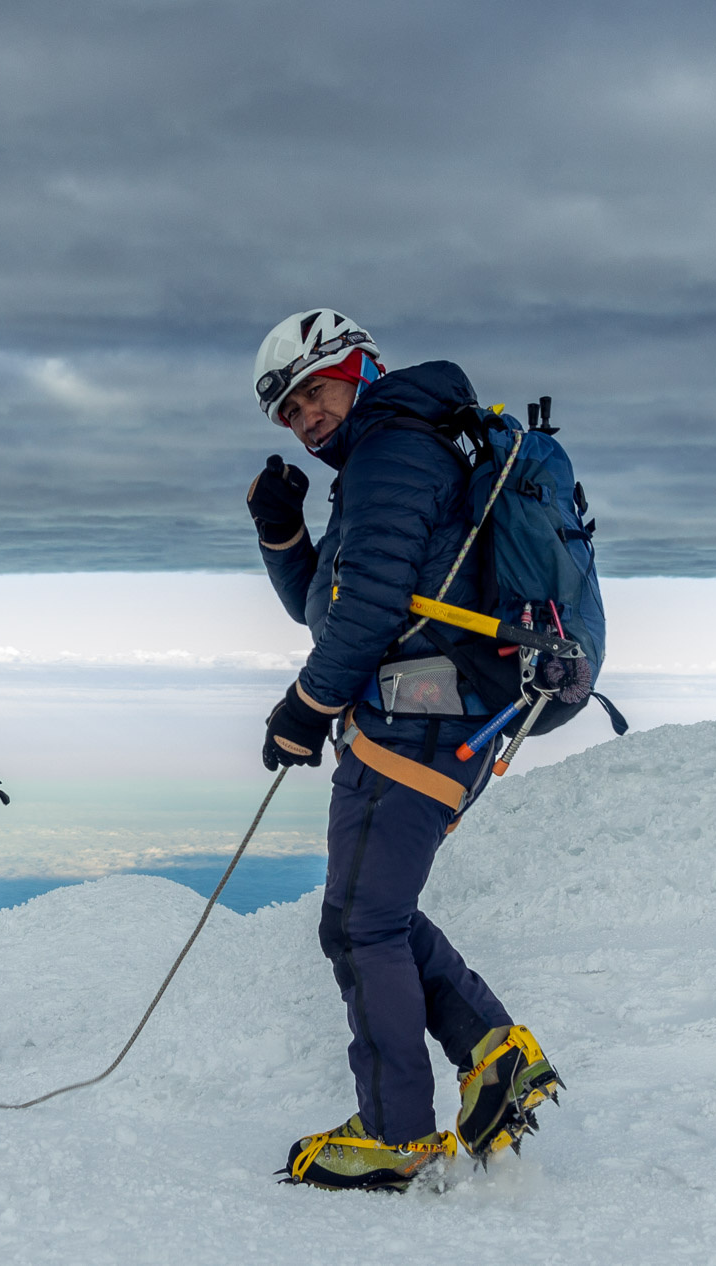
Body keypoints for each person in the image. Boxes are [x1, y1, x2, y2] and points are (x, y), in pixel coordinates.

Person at [246, 309, 561, 1191]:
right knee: (371, 913)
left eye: (313, 394)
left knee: (359, 923)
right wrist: (283, 536)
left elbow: (371, 610)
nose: (305, 421)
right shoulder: (391, 458)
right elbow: (332, 603)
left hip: (416, 717)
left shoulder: (392, 453)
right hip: (434, 713)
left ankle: (395, 1132)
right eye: (289, 413)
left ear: (359, 367)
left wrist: (304, 708)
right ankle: (497, 1055)